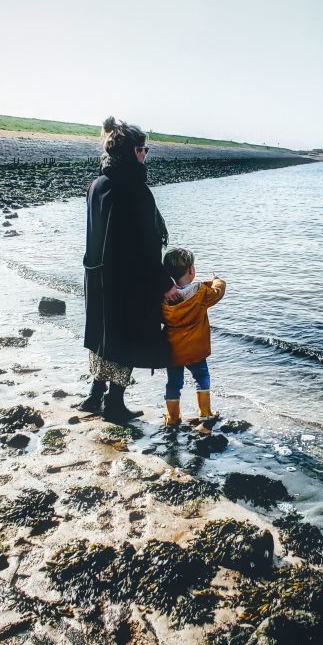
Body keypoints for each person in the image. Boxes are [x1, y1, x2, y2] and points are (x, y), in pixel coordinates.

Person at [79, 117, 181, 423]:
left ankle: (94, 397)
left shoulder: (98, 184)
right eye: (144, 149)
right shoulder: (132, 188)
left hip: (97, 277)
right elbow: (144, 247)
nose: (145, 154)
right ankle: (115, 404)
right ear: (132, 151)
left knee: (103, 338)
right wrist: (166, 284)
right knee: (127, 340)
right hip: (126, 282)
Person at [160, 247, 226, 426]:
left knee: (174, 383)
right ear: (191, 270)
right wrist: (217, 281)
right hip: (195, 349)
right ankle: (205, 414)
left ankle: (172, 418)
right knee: (202, 377)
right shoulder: (201, 293)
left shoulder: (164, 298)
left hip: (173, 350)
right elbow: (218, 293)